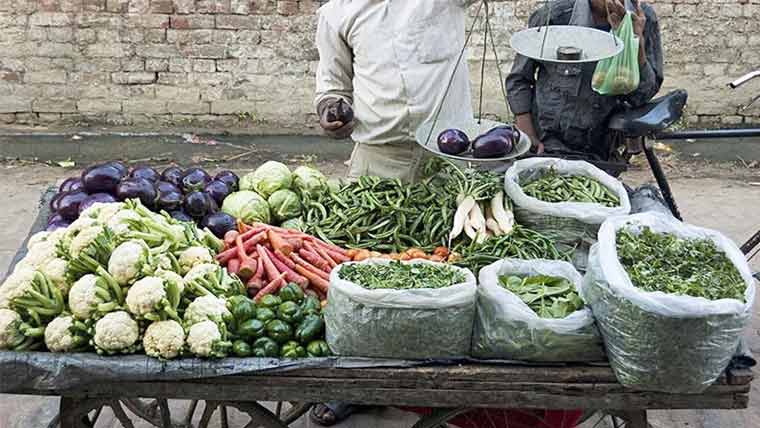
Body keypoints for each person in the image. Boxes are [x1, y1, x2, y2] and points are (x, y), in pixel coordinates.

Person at [314, 0, 476, 184]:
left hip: (449, 154)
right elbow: (333, 88)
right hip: (378, 159)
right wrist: (330, 111)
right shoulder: (336, 14)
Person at [506, 0, 664, 160]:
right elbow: (519, 79)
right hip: (548, 143)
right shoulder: (555, 16)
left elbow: (642, 96)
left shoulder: (642, 19)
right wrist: (527, 135)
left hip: (600, 148)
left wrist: (636, 43)